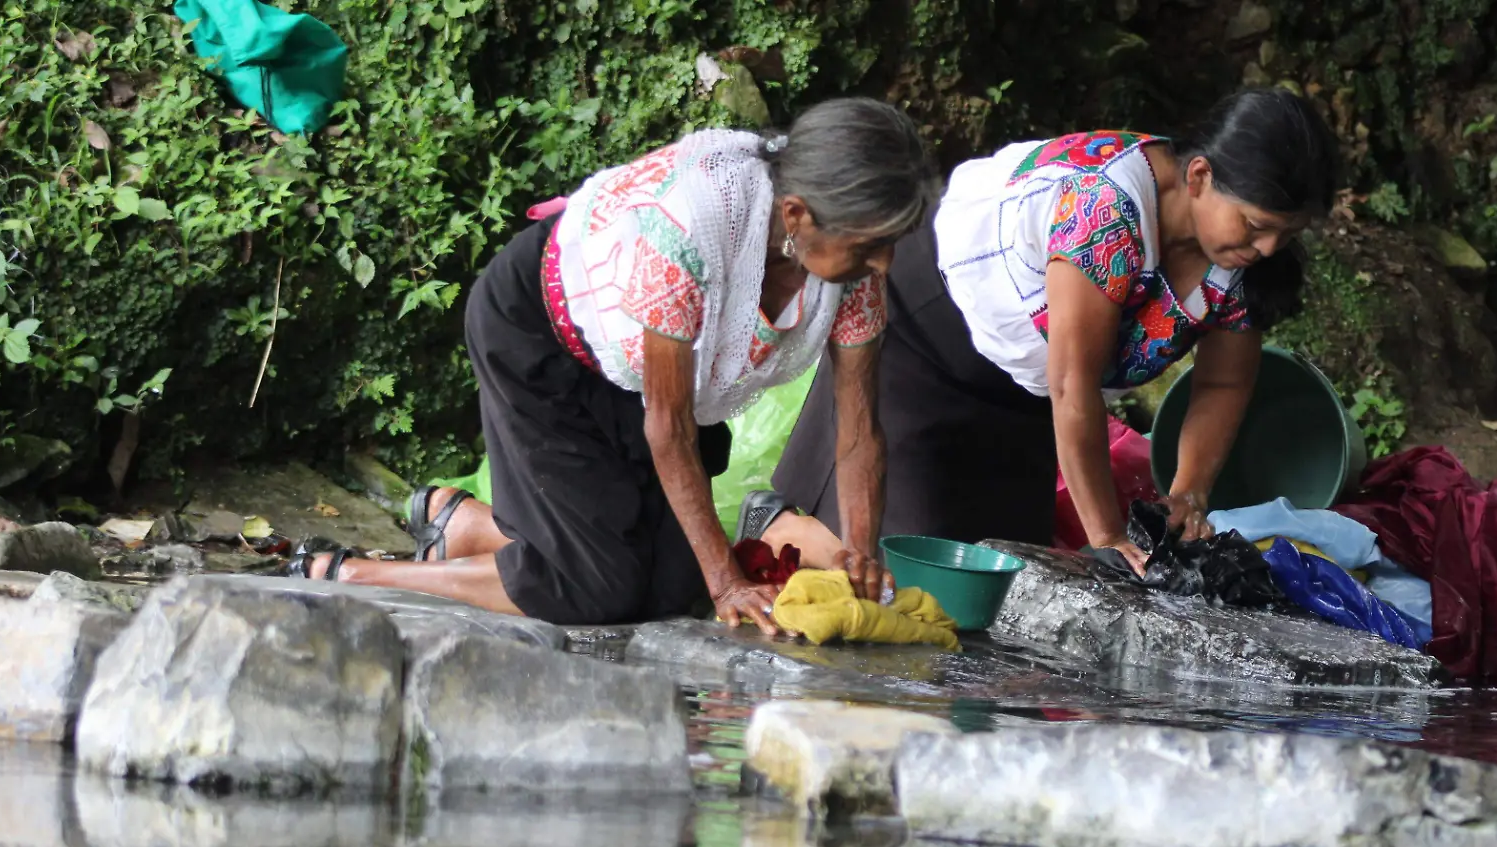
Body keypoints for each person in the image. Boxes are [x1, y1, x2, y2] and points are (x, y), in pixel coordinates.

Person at [289, 99, 935, 631]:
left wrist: (861, 558)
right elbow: (669, 429)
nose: (881, 265)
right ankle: (353, 576)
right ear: (797, 215)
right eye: (869, 246)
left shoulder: (851, 275)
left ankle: (463, 525)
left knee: (668, 590)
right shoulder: (694, 222)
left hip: (649, 375)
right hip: (543, 337)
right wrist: (726, 580)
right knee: (599, 590)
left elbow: (859, 432)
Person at [758, 88, 1340, 576]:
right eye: (1257, 226)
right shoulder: (1106, 207)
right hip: (929, 338)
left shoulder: (1238, 264)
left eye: (1284, 236)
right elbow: (1072, 385)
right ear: (1199, 176)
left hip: (1028, 396)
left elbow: (1222, 387)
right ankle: (767, 536)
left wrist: (1189, 490)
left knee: (1004, 586)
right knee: (904, 569)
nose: (1266, 249)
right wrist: (1107, 535)